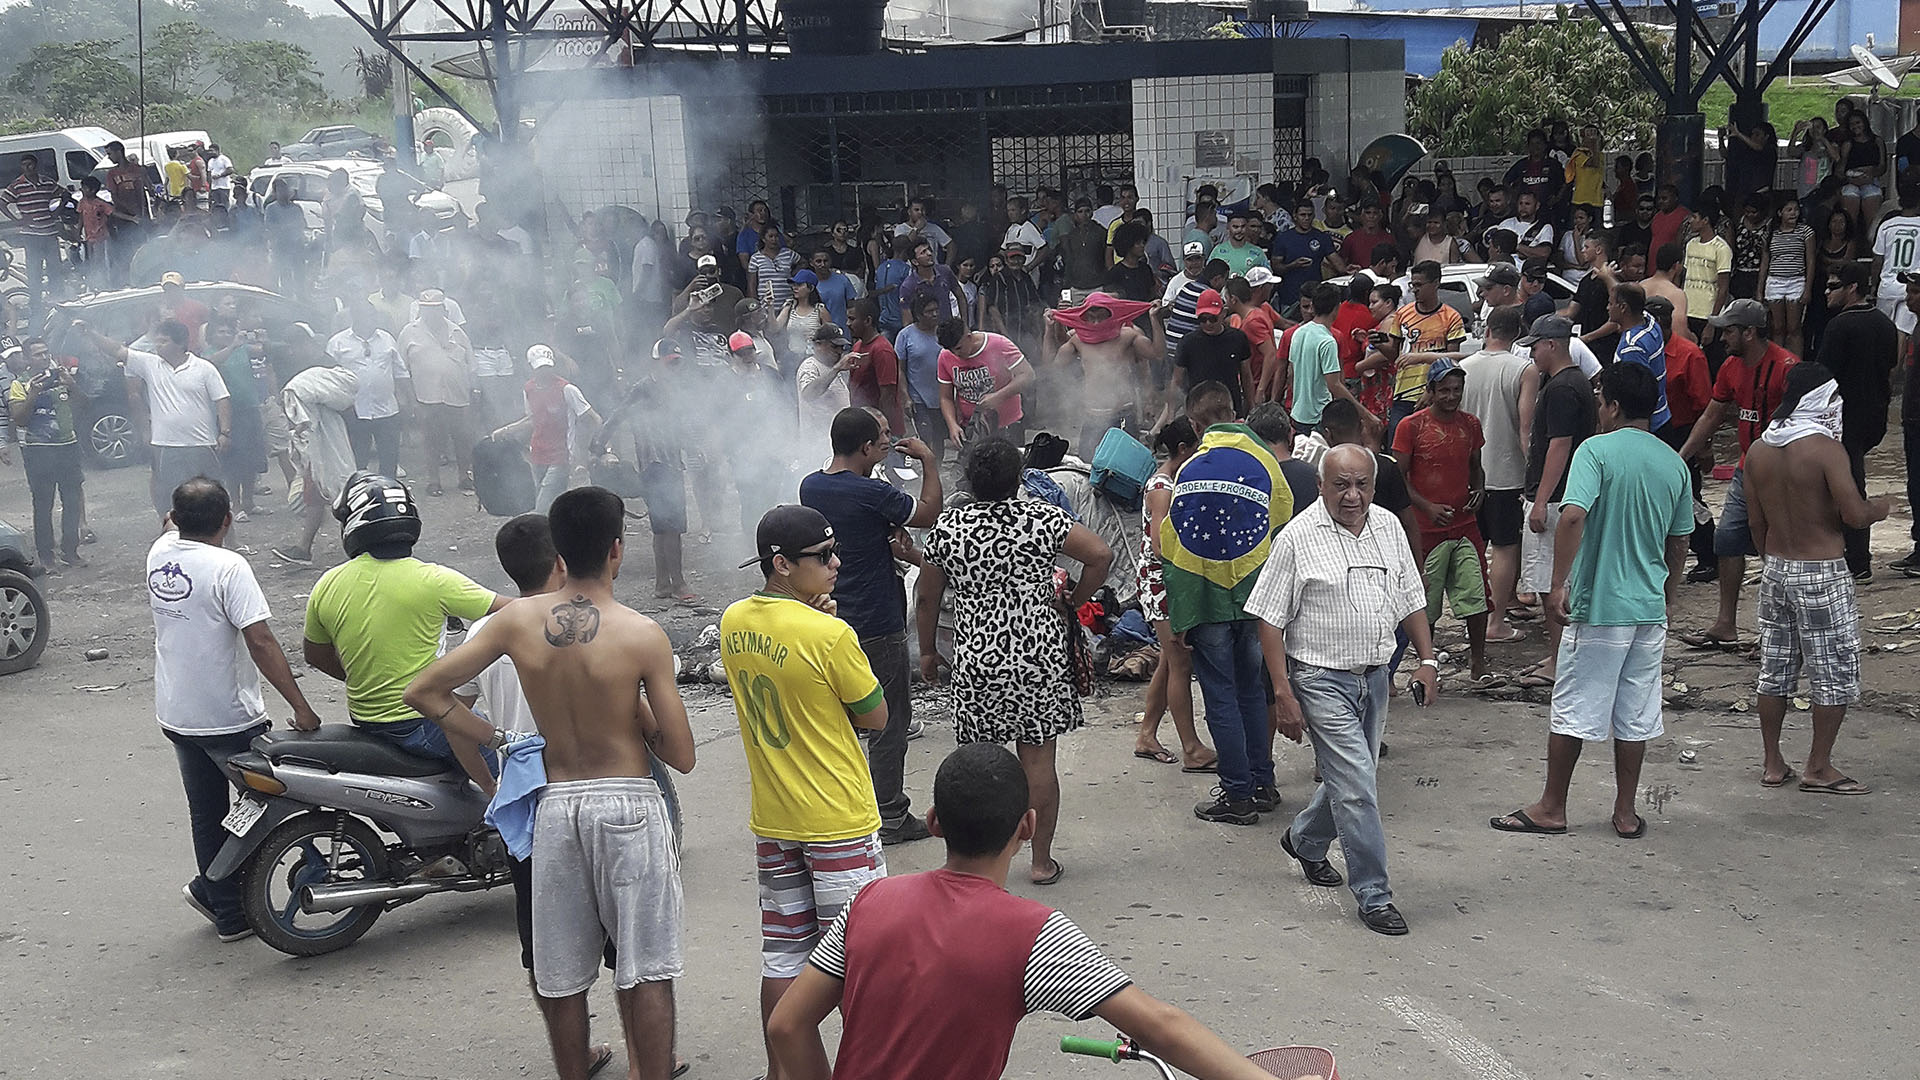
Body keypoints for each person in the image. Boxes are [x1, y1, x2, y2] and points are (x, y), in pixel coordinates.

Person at [764, 743, 1281, 1080]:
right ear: (1027, 827)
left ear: (934, 822)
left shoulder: (869, 902)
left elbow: (787, 1025)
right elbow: (1160, 1026)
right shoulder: (1036, 935)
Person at [405, 488, 694, 1080]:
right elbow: (682, 753)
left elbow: (424, 693)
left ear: (559, 554)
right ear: (617, 549)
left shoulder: (513, 621)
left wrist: (499, 739)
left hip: (555, 804)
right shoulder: (641, 635)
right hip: (629, 802)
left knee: (559, 970)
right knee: (646, 967)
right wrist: (635, 708)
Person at [721, 504, 891, 1079]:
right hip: (838, 818)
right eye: (823, 557)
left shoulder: (733, 620)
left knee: (786, 958)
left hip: (775, 822)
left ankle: (784, 1073)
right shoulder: (832, 634)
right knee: (860, 965)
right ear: (783, 564)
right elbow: (875, 717)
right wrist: (829, 627)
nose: (836, 564)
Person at [1491, 364, 1692, 839]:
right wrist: (1668, 595)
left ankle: (1552, 806)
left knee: (1573, 706)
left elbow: (1573, 515)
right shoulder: (1674, 462)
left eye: (1601, 401)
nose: (1598, 409)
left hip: (1599, 605)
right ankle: (1625, 812)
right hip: (1647, 608)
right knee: (1637, 712)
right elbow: (1679, 541)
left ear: (1614, 406)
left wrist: (1558, 584)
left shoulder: (1595, 451)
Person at [1246, 443, 1438, 936]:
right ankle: (1374, 894)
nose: (1352, 496)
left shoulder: (1389, 528)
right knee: (1358, 787)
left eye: (1362, 485)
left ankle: (1305, 839)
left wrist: (1428, 659)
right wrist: (1283, 692)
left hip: (1375, 677)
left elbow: (1411, 596)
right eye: (1341, 485)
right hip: (1320, 678)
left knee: (1353, 775)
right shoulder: (1297, 537)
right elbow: (1269, 619)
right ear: (1320, 485)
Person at [917, 438, 1111, 887]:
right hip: (1038, 656)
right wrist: (1073, 601)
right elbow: (1101, 555)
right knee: (1039, 762)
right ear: (1017, 478)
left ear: (970, 480)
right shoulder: (1043, 518)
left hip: (977, 659)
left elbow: (927, 597)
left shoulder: (949, 528)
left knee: (980, 766)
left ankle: (979, 864)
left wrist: (928, 650)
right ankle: (1041, 861)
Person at [150, 478, 321, 946]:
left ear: (178, 519)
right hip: (228, 717)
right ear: (227, 520)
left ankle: (225, 909)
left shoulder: (160, 551)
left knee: (208, 813)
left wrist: (179, 514)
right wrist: (301, 707)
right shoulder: (229, 567)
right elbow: (261, 640)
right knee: (268, 803)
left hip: (177, 712)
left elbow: (169, 521)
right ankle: (227, 891)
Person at [799, 408, 944, 844]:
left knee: (837, 719)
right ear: (864, 447)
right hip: (877, 621)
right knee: (889, 722)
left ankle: (837, 808)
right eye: (882, 436)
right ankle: (891, 815)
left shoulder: (811, 486)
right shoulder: (873, 492)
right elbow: (930, 512)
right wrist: (929, 462)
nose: (889, 440)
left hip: (829, 618)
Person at [304, 472, 506, 778]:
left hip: (365, 719)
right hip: (423, 722)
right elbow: (520, 614)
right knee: (511, 765)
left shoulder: (327, 583)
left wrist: (368, 676)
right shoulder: (434, 580)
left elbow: (315, 655)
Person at [1744, 365, 1886, 796]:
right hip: (1821, 570)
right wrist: (1883, 506)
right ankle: (1818, 766)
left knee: (1775, 669)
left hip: (1776, 568)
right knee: (1833, 671)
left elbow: (1756, 523)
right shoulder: (1825, 450)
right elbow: (1853, 514)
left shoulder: (1758, 452)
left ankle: (1772, 762)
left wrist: (1774, 555)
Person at [1161, 382, 1291, 824]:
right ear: (1236, 413)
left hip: (1209, 602)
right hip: (1257, 600)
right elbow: (1282, 522)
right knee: (1253, 690)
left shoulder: (1191, 469)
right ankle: (1262, 782)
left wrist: (1180, 611)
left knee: (1220, 696)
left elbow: (1175, 545)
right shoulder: (1265, 461)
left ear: (1196, 425)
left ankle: (1236, 796)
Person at [1676, 300, 1799, 647]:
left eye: (1729, 329)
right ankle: (1725, 624)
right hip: (1747, 469)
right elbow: (1711, 416)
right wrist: (1682, 455)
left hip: (1780, 474)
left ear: (1750, 332)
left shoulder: (1787, 367)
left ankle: (1782, 629)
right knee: (1727, 540)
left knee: (1776, 549)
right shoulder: (1731, 366)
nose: (1722, 336)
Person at [78, 319, 231, 526]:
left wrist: (225, 431)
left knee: (214, 494)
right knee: (171, 495)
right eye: (157, 342)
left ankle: (228, 539)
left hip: (201, 443)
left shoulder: (204, 368)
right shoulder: (150, 364)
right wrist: (91, 333)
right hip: (166, 445)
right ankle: (176, 535)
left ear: (180, 343)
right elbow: (117, 350)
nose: (158, 346)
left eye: (164, 342)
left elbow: (222, 399)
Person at [1393, 358, 1490, 679]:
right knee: (1426, 601)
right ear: (1430, 391)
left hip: (1464, 525)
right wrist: (1427, 506)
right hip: (1426, 530)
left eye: (1456, 390)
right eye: (1444, 390)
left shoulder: (1471, 425)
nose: (1451, 396)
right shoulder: (1411, 427)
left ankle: (1478, 663)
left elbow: (1476, 466)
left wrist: (1479, 489)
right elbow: (1399, 478)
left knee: (1477, 595)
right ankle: (1427, 662)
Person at [1516, 315, 1597, 689]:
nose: (1531, 352)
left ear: (1552, 344)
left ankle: (1561, 660)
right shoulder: (1570, 380)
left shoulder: (1564, 386)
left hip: (1556, 497)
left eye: (1535, 345)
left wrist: (1540, 500)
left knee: (1552, 582)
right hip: (1562, 493)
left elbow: (1559, 445)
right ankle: (1559, 653)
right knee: (1552, 579)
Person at [1133, 417, 1216, 771]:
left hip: (1162, 579)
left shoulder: (1171, 480)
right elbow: (1160, 544)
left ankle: (1147, 733)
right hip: (1162, 581)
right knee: (1181, 663)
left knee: (1170, 661)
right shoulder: (1163, 488)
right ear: (1183, 450)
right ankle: (1192, 748)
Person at [1814, 262, 1899, 579]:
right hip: (1874, 417)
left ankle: (1857, 559)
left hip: (1845, 418)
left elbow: (1823, 376)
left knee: (1848, 485)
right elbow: (1891, 365)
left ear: (1852, 288)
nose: (1827, 291)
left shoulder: (1840, 327)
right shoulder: (1883, 323)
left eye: (1833, 286)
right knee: (1850, 480)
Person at [1459, 306, 1536, 643]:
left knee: (1476, 548)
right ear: (1516, 335)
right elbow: (1526, 428)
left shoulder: (1463, 368)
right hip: (1507, 472)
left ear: (1486, 330)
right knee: (1506, 548)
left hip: (1469, 472)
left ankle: (1474, 618)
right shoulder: (1524, 370)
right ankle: (1495, 622)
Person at [490, 346, 601, 514]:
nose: (544, 372)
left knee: (542, 507)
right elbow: (533, 419)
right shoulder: (529, 389)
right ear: (530, 368)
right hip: (538, 453)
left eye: (547, 367)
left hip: (561, 456)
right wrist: (507, 430)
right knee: (552, 504)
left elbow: (593, 419)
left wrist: (584, 450)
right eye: (539, 368)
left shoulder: (567, 389)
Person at [6, 339, 85, 569]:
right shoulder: (20, 384)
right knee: (43, 504)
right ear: (28, 359)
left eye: (45, 352)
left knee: (72, 500)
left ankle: (70, 551)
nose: (43, 357)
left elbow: (83, 405)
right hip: (38, 450)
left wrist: (72, 385)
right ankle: (46, 557)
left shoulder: (61, 376)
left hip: (67, 446)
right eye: (37, 354)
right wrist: (33, 394)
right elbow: (18, 419)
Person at [1048, 292, 1158, 456]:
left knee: (1125, 464)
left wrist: (1149, 399)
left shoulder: (1130, 334)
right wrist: (1054, 323)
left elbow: (1150, 360)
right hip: (1093, 414)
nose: (1096, 322)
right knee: (1089, 463)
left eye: (1101, 317)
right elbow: (1056, 357)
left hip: (1123, 411)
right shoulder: (1079, 337)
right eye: (1092, 317)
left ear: (1112, 314)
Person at [1377, 261, 1467, 440]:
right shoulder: (1403, 314)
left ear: (1435, 284)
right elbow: (1394, 354)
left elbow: (1451, 362)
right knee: (1397, 446)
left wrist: (1430, 391)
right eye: (1412, 285)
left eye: (1419, 285)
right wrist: (1379, 344)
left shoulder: (1451, 317)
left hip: (1435, 396)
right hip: (1403, 393)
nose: (1414, 290)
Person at [398, 289, 474, 497]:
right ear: (421, 309)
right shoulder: (409, 332)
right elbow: (401, 368)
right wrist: (410, 399)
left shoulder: (457, 332)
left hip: (457, 394)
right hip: (426, 396)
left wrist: (473, 390)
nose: (431, 313)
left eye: (435, 309)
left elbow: (471, 363)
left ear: (443, 309)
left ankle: (464, 477)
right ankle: (434, 481)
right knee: (432, 440)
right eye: (427, 309)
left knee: (461, 437)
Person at [325, 300, 409, 479]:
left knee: (389, 461)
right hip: (353, 411)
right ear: (355, 318)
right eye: (364, 315)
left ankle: (387, 496)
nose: (370, 320)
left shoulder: (387, 339)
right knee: (357, 462)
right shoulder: (337, 343)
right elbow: (329, 378)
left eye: (372, 315)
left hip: (387, 410)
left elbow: (400, 371)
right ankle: (357, 497)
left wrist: (406, 398)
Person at [935, 317, 1032, 447]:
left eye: (959, 348)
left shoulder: (999, 344)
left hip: (1008, 424)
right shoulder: (944, 356)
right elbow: (945, 397)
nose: (955, 354)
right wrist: (952, 425)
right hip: (972, 427)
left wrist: (998, 396)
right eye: (951, 350)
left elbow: (1028, 375)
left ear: (969, 337)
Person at [1286, 282, 1359, 432]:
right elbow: (1335, 385)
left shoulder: (1298, 333)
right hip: (1319, 417)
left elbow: (1291, 373)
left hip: (1298, 413)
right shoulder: (1327, 341)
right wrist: (1361, 412)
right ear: (1336, 307)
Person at [0, 154, 63, 324]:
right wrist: (17, 220)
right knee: (34, 271)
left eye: (30, 164)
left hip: (49, 233)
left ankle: (57, 300)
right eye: (24, 165)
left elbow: (63, 194)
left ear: (35, 165)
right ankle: (36, 305)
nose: (27, 168)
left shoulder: (47, 182)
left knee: (54, 269)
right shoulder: (17, 185)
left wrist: (56, 213)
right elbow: (2, 202)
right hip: (31, 235)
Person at [1172, 289, 1250, 414]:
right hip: (1199, 412)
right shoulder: (1187, 342)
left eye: (1212, 318)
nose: (1208, 323)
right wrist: (1171, 414)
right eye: (1203, 319)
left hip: (1230, 410)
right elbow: (1176, 381)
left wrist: (1250, 406)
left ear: (1223, 313)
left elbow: (1246, 375)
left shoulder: (1238, 338)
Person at [1759, 197, 1816, 356]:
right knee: (1777, 327)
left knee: (1794, 327)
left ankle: (1796, 362)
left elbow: (1810, 260)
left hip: (1796, 281)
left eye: (1796, 210)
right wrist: (1760, 289)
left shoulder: (1806, 232)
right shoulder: (1770, 234)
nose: (1793, 213)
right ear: (1780, 213)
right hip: (1774, 281)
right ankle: (1778, 361)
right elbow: (1765, 262)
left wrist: (1807, 289)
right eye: (1789, 210)